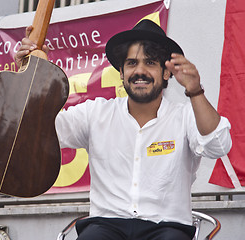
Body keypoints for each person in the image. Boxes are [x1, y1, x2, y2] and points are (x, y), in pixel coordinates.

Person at [15, 19, 232, 240]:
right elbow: (35, 129)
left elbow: (218, 146)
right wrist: (29, 73)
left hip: (167, 227)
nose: (140, 71)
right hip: (105, 227)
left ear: (166, 73)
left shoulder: (185, 115)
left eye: (150, 63)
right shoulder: (96, 113)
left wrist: (195, 91)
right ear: (121, 72)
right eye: (131, 63)